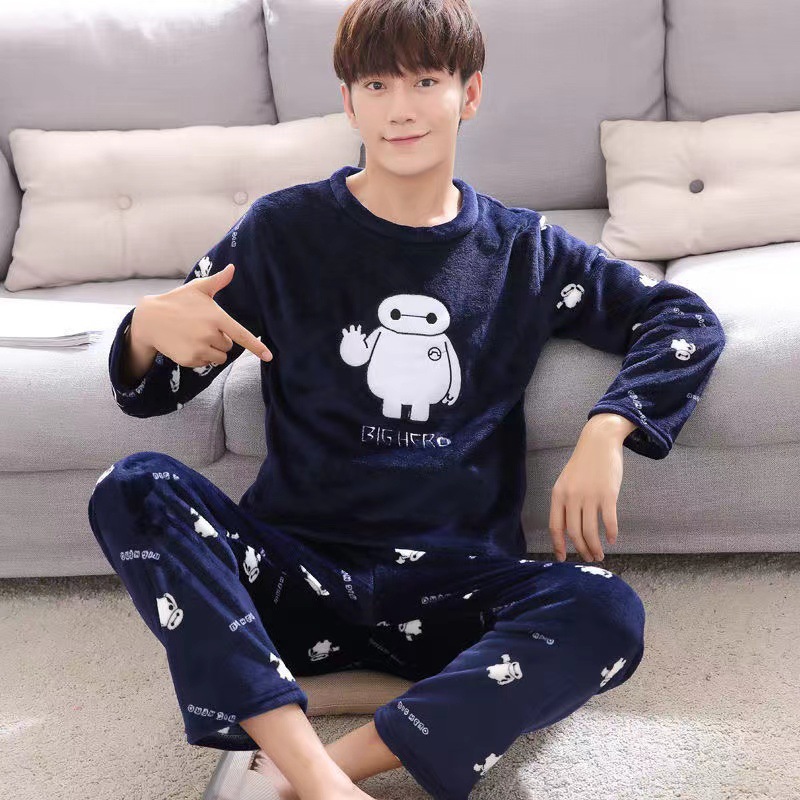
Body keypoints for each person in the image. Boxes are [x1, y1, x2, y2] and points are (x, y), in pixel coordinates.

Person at [87, 1, 727, 798]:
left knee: (607, 611)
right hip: (290, 580)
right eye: (377, 84)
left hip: (454, 595)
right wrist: (145, 329)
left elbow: (682, 318)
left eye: (426, 81)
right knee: (133, 487)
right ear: (349, 101)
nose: (401, 108)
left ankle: (305, 774)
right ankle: (318, 773)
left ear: (470, 93)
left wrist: (607, 431)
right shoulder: (281, 232)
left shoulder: (526, 250)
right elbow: (154, 389)